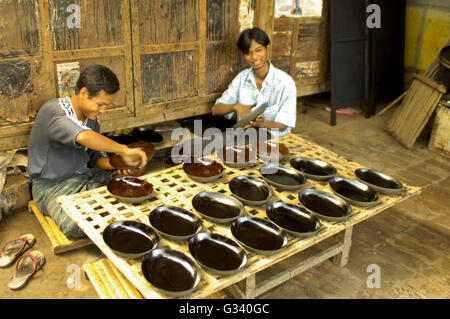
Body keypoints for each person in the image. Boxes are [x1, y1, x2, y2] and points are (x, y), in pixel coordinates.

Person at [28, 64, 147, 238]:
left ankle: (100, 188)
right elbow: (83, 136)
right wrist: (123, 149)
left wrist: (119, 164)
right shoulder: (54, 111)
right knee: (75, 224)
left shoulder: (92, 121)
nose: (103, 110)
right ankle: (97, 191)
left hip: (84, 175)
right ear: (83, 93)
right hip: (51, 187)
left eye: (106, 105)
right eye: (100, 104)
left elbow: (94, 159)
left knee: (129, 187)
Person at [212, 27, 297, 138]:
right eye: (248, 53)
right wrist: (235, 106)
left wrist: (260, 124)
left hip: (275, 140)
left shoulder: (285, 82)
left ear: (267, 48)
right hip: (245, 136)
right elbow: (216, 109)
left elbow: (283, 125)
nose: (254, 57)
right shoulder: (241, 78)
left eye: (258, 50)